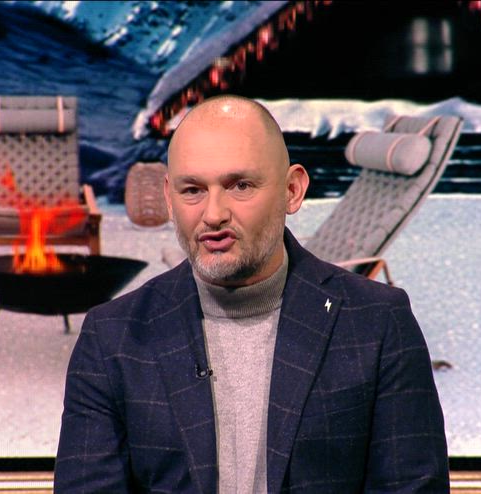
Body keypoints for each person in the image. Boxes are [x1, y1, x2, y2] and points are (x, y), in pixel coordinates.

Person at [54, 95, 449, 493]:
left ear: (292, 190)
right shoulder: (112, 337)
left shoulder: (377, 324)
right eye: (192, 190)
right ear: (169, 199)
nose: (213, 215)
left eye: (240, 185)